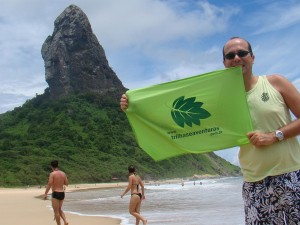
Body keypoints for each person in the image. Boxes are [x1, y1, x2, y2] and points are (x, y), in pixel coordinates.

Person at [120, 37, 300, 224]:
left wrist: (275, 136)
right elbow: (169, 111)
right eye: (230, 55)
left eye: (242, 53)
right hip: (254, 183)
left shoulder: (275, 83)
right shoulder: (220, 100)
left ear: (252, 58)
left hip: (291, 175)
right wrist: (134, 106)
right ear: (224, 63)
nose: (236, 58)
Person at [44, 160, 69, 225]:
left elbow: (49, 184)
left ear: (51, 166)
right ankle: (65, 221)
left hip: (55, 193)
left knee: (56, 212)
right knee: (59, 209)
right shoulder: (63, 173)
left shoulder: (52, 174)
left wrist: (45, 193)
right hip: (62, 193)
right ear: (57, 165)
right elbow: (66, 183)